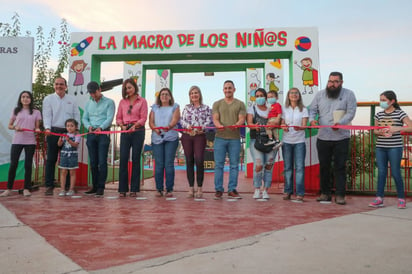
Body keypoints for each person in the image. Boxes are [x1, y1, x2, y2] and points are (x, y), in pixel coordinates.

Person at [309, 71, 357, 205]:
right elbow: (312, 110)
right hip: (323, 136)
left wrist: (341, 123)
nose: (332, 84)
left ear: (341, 82)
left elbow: (351, 112)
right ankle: (325, 193)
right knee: (324, 166)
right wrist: (312, 120)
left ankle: (340, 195)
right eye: (330, 81)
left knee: (340, 166)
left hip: (341, 137)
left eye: (336, 82)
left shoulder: (349, 94)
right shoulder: (319, 95)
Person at [368, 90, 412, 209]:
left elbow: (410, 127)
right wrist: (380, 132)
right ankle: (379, 198)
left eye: (384, 100)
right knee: (381, 172)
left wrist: (396, 128)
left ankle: (401, 198)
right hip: (381, 147)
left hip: (395, 147)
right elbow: (375, 131)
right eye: (380, 100)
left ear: (392, 101)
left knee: (395, 172)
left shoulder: (400, 113)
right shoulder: (378, 115)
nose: (381, 102)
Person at [42, 77, 80, 195]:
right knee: (51, 159)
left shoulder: (72, 100)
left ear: (66, 86)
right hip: (53, 132)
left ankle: (69, 187)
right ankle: (49, 185)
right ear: (54, 85)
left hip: (69, 132)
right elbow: (47, 115)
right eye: (57, 84)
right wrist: (47, 128)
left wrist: (76, 130)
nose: (59, 86)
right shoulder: (48, 99)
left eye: (62, 84)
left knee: (68, 160)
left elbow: (76, 115)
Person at [1, 91, 41, 197]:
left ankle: (26, 188)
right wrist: (15, 127)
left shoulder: (36, 112)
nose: (25, 99)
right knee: (13, 164)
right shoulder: (16, 110)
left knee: (28, 165)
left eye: (27, 97)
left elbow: (37, 126)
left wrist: (37, 129)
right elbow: (9, 125)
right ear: (20, 99)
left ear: (31, 99)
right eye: (23, 97)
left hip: (30, 141)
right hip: (17, 141)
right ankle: (9, 189)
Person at [212, 80, 246, 199]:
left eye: (230, 88)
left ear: (234, 89)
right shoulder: (217, 103)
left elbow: (242, 118)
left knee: (234, 165)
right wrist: (218, 124)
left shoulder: (240, 104)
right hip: (220, 138)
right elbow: (215, 118)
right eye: (226, 88)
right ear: (223, 90)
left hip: (234, 139)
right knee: (219, 165)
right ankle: (218, 190)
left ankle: (232, 189)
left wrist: (236, 124)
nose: (228, 90)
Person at [82, 81, 115, 197]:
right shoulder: (88, 104)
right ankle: (94, 186)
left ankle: (101, 187)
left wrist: (101, 128)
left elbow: (109, 118)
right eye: (90, 93)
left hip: (103, 134)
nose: (92, 95)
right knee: (93, 162)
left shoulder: (109, 102)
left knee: (102, 162)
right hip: (91, 134)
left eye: (94, 92)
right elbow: (84, 118)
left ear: (99, 89)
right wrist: (89, 127)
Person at [116, 79, 148, 197]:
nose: (128, 90)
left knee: (135, 159)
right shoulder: (122, 102)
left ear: (135, 87)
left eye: (130, 87)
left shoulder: (142, 101)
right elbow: (118, 117)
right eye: (126, 88)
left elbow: (143, 118)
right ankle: (122, 189)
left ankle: (134, 188)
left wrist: (135, 125)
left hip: (138, 131)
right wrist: (121, 125)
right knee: (123, 158)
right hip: (125, 131)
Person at [180, 86, 212, 198]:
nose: (194, 95)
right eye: (192, 93)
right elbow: (181, 120)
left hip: (200, 136)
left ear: (200, 94)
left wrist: (201, 128)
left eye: (196, 93)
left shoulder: (206, 108)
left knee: (199, 160)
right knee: (189, 160)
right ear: (190, 96)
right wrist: (188, 126)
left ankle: (199, 187)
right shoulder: (186, 107)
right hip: (187, 136)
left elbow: (209, 121)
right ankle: (190, 187)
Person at [246, 88, 277, 200]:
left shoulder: (271, 109)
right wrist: (255, 126)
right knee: (258, 164)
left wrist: (275, 124)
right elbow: (249, 123)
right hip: (256, 141)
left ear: (266, 97)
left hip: (270, 141)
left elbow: (278, 121)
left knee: (269, 164)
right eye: (257, 96)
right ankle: (257, 188)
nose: (259, 98)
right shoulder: (251, 109)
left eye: (262, 95)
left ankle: (265, 190)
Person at [149, 88, 180, 197]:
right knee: (159, 164)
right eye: (162, 94)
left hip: (171, 138)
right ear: (159, 96)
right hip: (157, 138)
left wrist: (169, 126)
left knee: (169, 164)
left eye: (167, 94)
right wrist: (155, 129)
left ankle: (169, 189)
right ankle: (159, 188)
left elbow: (175, 119)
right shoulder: (154, 108)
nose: (164, 96)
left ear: (170, 96)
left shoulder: (175, 107)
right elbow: (151, 122)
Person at [281, 88, 308, 202]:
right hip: (286, 141)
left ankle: (300, 193)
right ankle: (288, 191)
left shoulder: (304, 109)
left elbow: (304, 125)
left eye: (296, 93)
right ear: (288, 95)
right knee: (287, 168)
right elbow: (281, 123)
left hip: (299, 142)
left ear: (299, 95)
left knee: (300, 168)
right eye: (291, 93)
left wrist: (300, 128)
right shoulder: (284, 109)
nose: (294, 95)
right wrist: (283, 126)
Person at [57, 119, 81, 196]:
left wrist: (69, 140)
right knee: (63, 172)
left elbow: (75, 145)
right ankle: (62, 189)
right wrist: (60, 140)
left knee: (72, 172)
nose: (69, 128)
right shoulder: (64, 134)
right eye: (68, 126)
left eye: (72, 126)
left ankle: (71, 189)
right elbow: (59, 145)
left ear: (76, 127)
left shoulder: (77, 135)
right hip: (64, 155)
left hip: (72, 156)